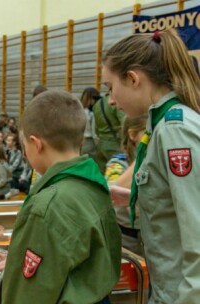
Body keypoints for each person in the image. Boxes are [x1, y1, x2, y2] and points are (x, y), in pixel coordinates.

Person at [102, 29, 200, 303]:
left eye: (110, 87)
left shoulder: (175, 129)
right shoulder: (162, 124)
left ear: (133, 79)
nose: (110, 100)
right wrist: (134, 198)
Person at [0, 90, 121, 303]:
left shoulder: (45, 208)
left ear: (36, 144)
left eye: (24, 144)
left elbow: (27, 297)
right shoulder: (96, 187)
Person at [105, 115, 147, 256]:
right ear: (133, 134)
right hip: (126, 238)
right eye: (148, 133)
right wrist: (145, 155)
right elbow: (112, 192)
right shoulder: (118, 163)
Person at [93, 93, 125, 173]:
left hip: (101, 144)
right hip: (115, 144)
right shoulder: (116, 103)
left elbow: (96, 128)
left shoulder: (97, 104)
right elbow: (124, 123)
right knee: (117, 173)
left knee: (102, 173)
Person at [80, 87, 99, 159]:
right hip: (90, 142)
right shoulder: (91, 114)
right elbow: (94, 134)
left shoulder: (79, 111)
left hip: (81, 142)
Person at [3, 133, 24, 199]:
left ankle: (13, 190)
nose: (8, 142)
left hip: (16, 173)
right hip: (7, 172)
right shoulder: (4, 151)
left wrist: (6, 172)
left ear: (14, 142)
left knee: (10, 179)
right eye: (7, 140)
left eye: (10, 140)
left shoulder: (18, 152)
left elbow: (14, 166)